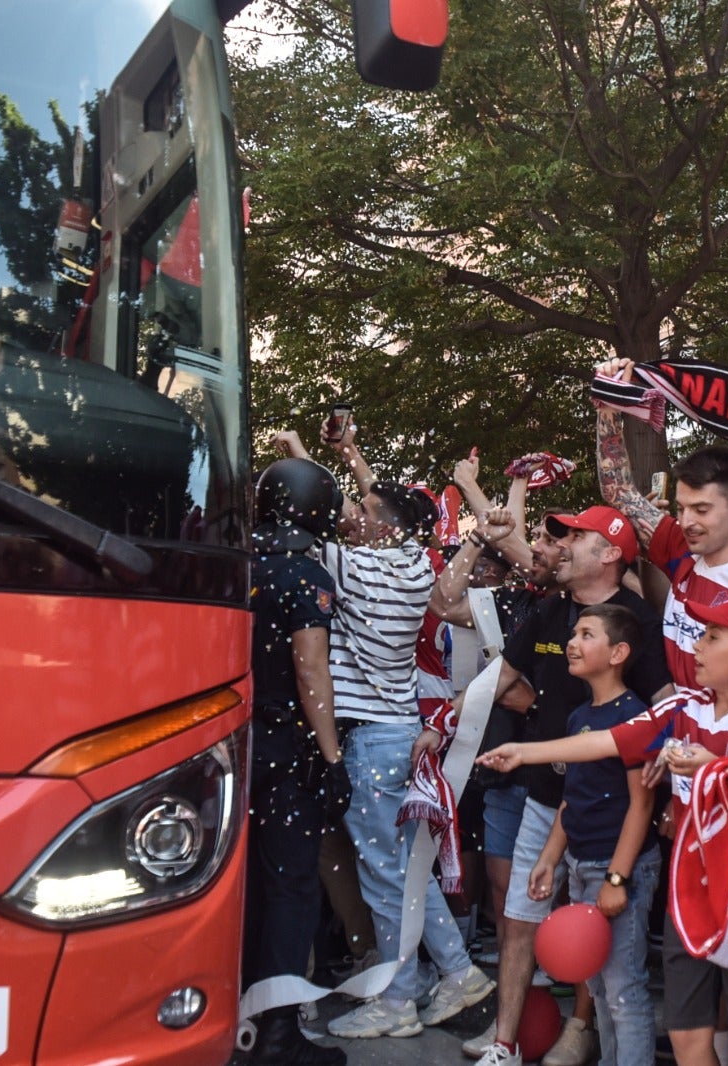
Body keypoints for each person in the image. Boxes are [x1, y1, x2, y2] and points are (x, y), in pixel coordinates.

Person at [484, 593, 728, 1066]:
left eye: (712, 638)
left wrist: (716, 767)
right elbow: (609, 741)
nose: (696, 647)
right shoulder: (684, 709)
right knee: (688, 1033)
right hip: (687, 892)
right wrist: (524, 753)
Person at [275, 425, 495, 1040]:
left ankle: (398, 999)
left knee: (383, 874)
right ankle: (456, 973)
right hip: (397, 731)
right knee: (403, 870)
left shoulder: (349, 566)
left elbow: (332, 508)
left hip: (369, 738)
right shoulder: (413, 565)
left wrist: (301, 462)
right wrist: (330, 453)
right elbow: (365, 505)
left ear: (387, 526)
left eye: (365, 510)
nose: (350, 514)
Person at [441, 503, 672, 1066]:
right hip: (550, 803)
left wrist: (677, 765)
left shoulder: (636, 621)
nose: (561, 543)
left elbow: (663, 710)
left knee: (606, 953)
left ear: (610, 553)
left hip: (611, 817)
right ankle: (504, 1045)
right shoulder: (548, 611)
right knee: (519, 919)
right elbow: (499, 677)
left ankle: (581, 1031)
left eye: (576, 535)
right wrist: (440, 724)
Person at [509, 602, 660, 1066]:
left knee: (622, 991)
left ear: (618, 653)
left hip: (616, 870)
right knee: (597, 986)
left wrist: (617, 879)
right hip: (579, 865)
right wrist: (551, 858)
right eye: (574, 633)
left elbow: (642, 803)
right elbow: (571, 799)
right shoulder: (578, 718)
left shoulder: (633, 716)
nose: (572, 643)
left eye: (587, 635)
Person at [242, 457, 351, 1065]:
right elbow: (312, 671)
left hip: (238, 744)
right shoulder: (304, 574)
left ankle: (243, 1020)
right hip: (287, 752)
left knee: (250, 887)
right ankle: (280, 1037)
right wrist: (332, 758)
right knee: (292, 889)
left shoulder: (239, 566)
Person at [594, 357, 728, 686]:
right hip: (678, 720)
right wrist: (609, 404)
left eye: (702, 510)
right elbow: (619, 491)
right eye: (681, 508)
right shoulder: (680, 545)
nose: (687, 521)